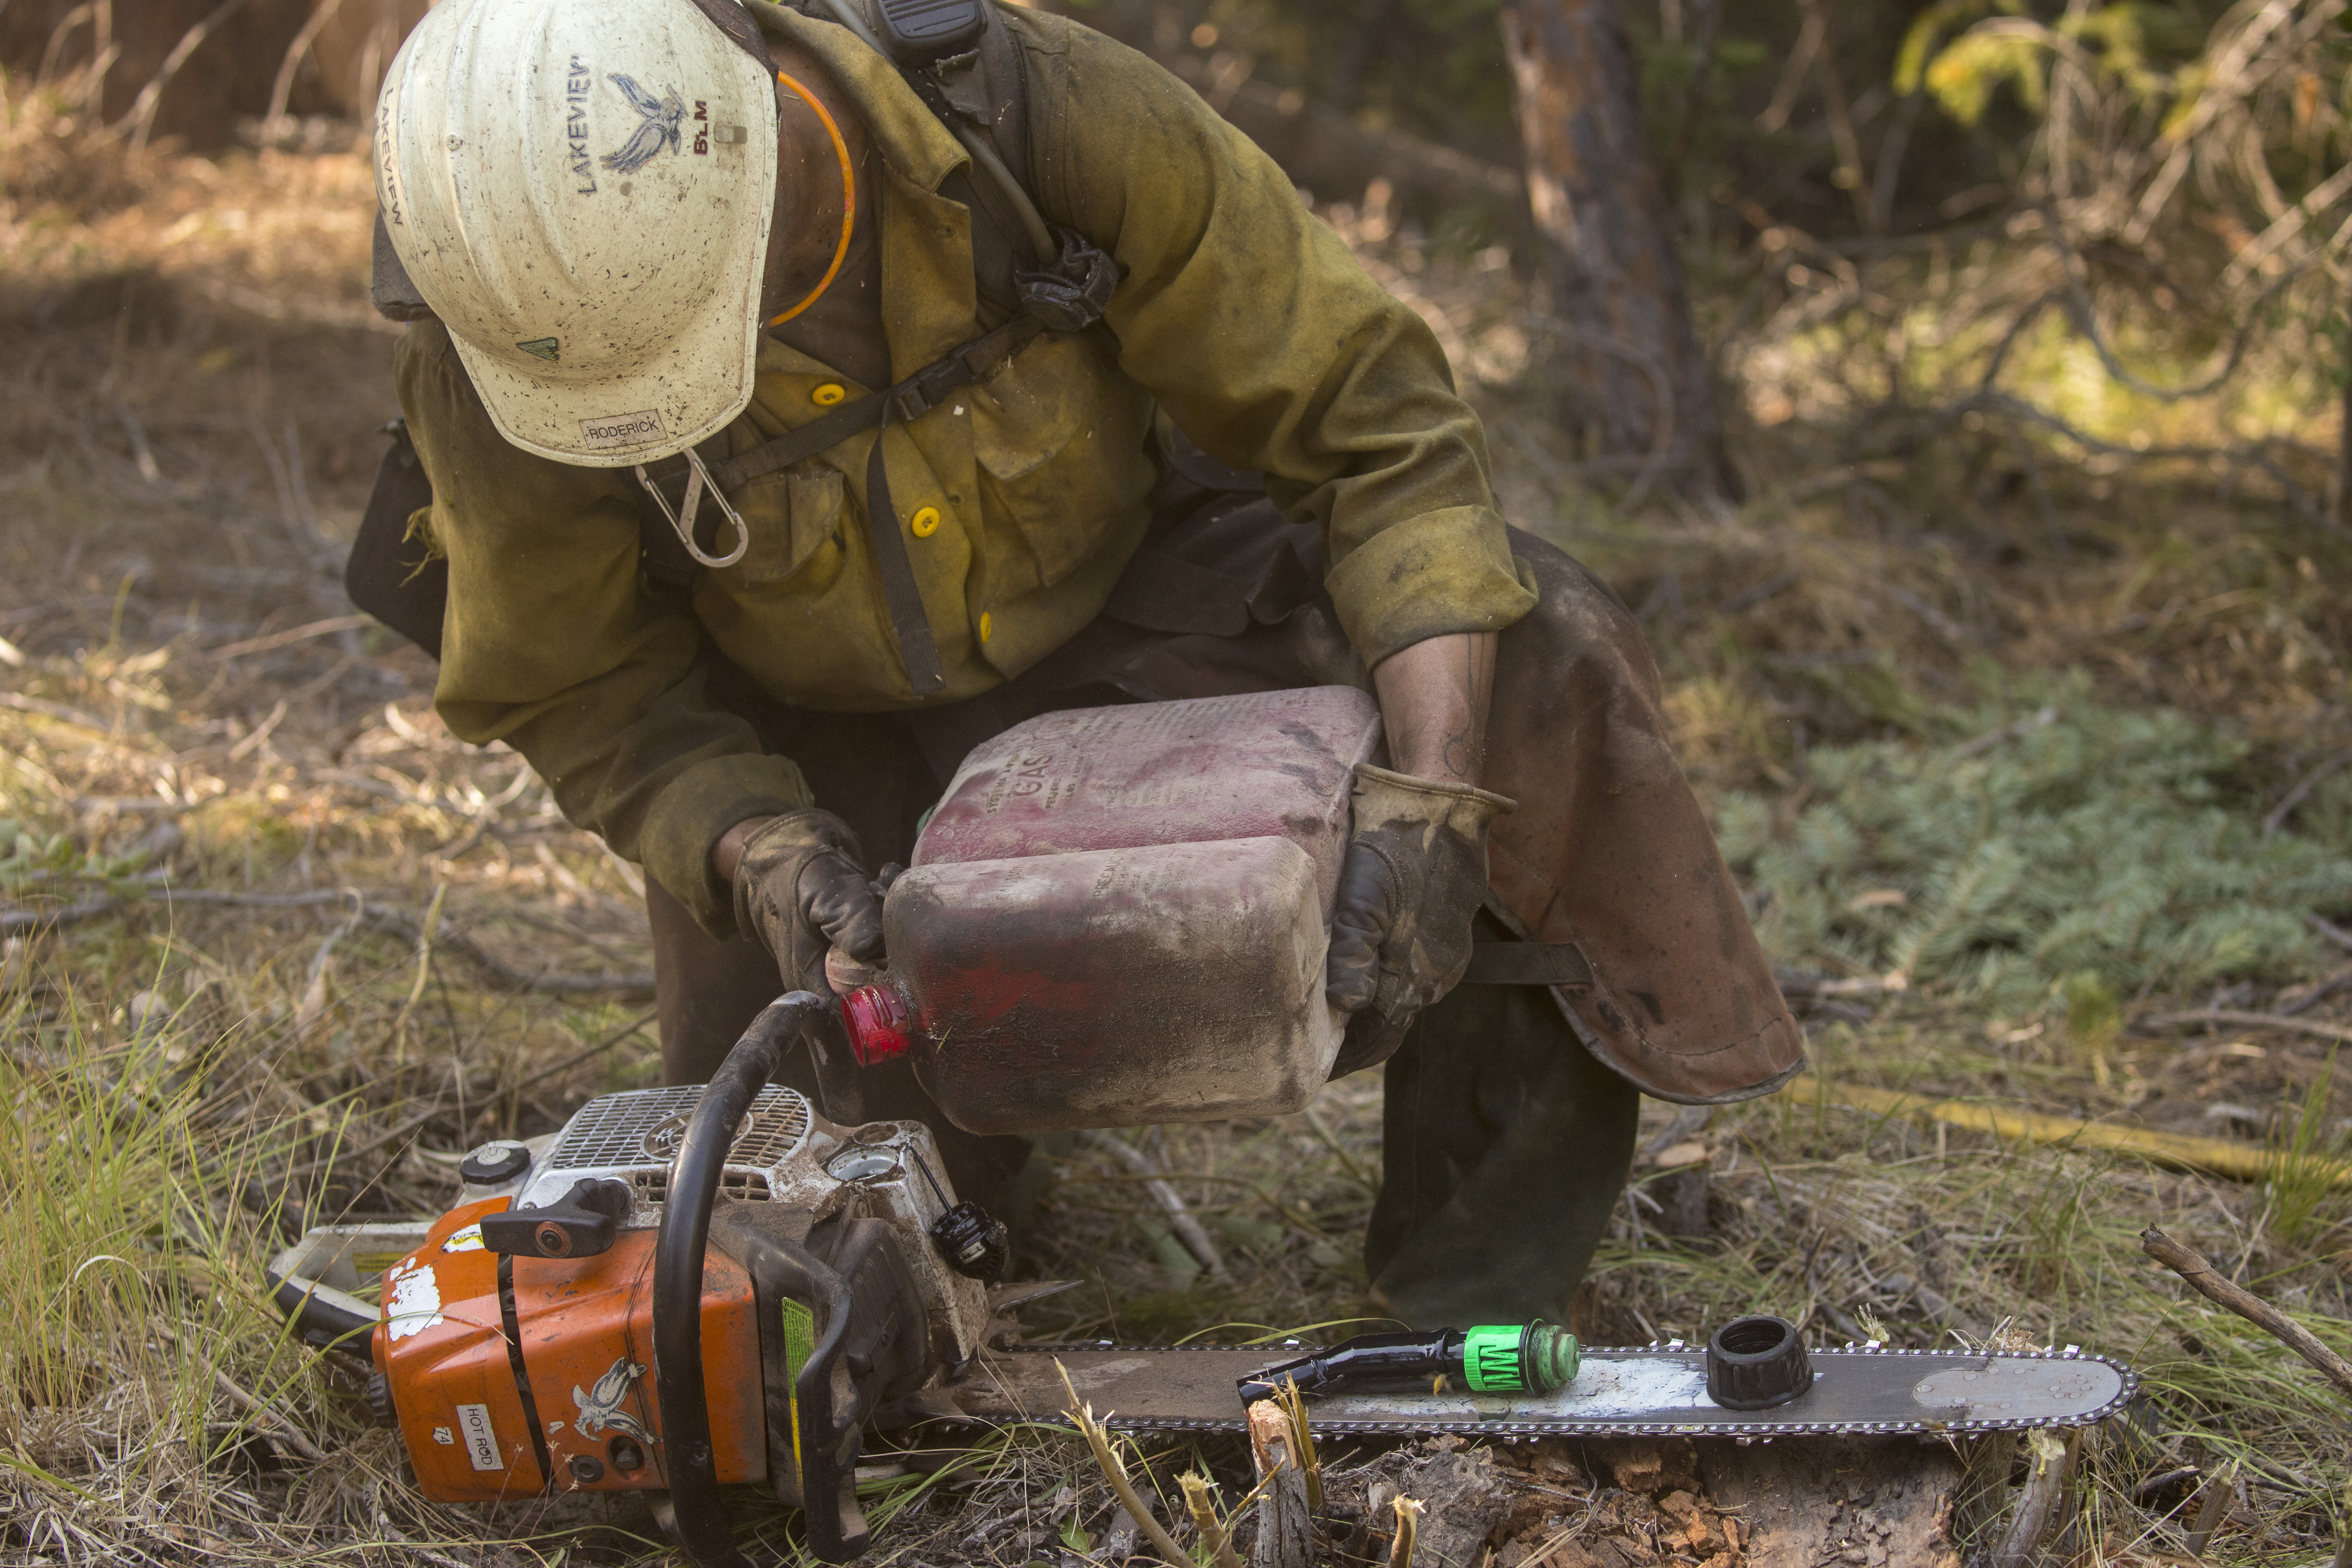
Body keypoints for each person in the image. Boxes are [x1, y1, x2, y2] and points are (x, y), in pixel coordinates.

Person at [369, 0, 1801, 1330]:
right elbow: (578, 684)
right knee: (804, 1302)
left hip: (1153, 622)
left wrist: (1434, 799)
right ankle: (958, 1199)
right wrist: (758, 854)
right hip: (817, 754)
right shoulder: (504, 334)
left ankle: (1473, 1304)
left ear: (764, 144)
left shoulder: (1035, 114)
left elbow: (1378, 433)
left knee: (1537, 649)